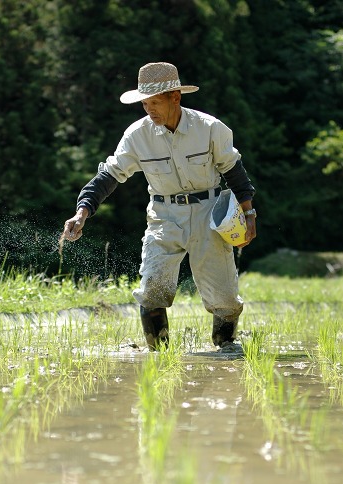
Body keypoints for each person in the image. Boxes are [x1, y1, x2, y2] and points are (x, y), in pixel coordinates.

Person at [62, 62, 256, 352]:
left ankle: (226, 347)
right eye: (145, 103)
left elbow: (234, 171)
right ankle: (160, 356)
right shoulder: (137, 135)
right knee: (152, 288)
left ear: (175, 97)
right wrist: (82, 211)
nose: (149, 109)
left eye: (155, 102)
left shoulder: (210, 128)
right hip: (164, 216)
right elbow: (110, 175)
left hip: (209, 213)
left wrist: (249, 213)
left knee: (224, 298)